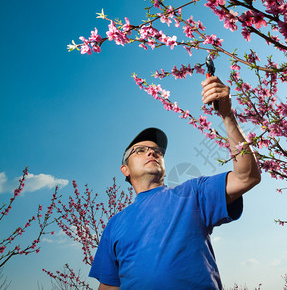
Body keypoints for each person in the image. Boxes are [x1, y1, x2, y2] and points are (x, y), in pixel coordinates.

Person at [89, 76, 261, 289]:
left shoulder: (192, 193)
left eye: (157, 151)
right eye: (140, 150)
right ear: (125, 169)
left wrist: (226, 114)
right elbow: (108, 286)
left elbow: (247, 176)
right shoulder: (115, 225)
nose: (152, 151)